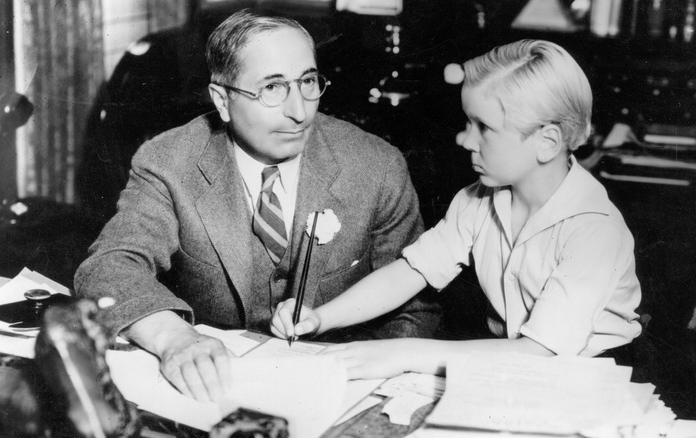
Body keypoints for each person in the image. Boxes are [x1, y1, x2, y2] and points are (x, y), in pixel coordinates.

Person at [74, 10, 439, 402]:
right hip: (213, 396)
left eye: (308, 82)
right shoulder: (168, 162)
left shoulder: (376, 165)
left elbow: (415, 310)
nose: (300, 112)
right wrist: (174, 339)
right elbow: (109, 267)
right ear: (223, 100)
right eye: (272, 88)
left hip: (341, 396)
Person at [271, 39, 643, 380]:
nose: (464, 139)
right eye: (468, 123)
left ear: (547, 142)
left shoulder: (594, 230)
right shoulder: (477, 199)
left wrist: (404, 353)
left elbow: (540, 352)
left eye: (484, 128)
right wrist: (321, 317)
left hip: (594, 377)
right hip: (513, 366)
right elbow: (410, 271)